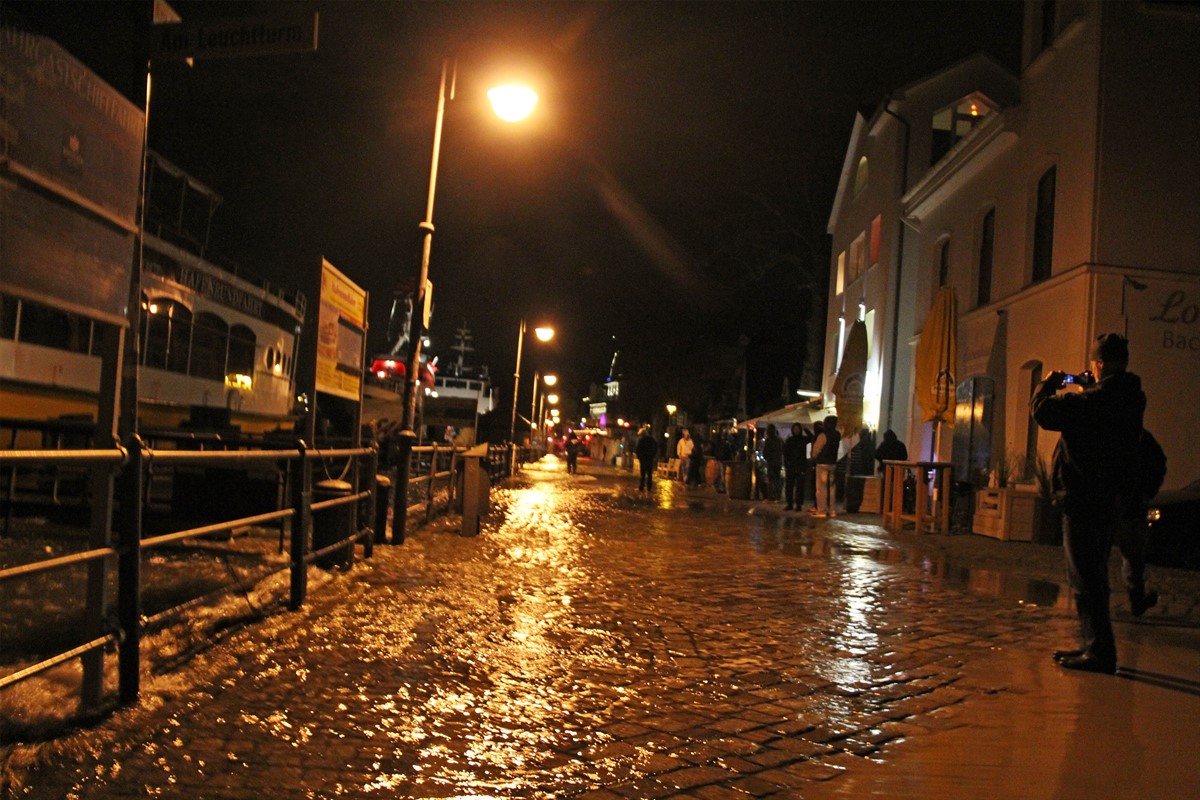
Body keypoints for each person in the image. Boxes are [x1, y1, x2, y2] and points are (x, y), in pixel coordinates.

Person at [1031, 333, 1145, 675]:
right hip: (1108, 497)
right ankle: (1094, 644)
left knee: (1085, 577)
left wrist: (1047, 386)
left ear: (1099, 364)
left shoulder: (1094, 401)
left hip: (1084, 498)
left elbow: (1044, 413)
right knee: (1094, 574)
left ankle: (1099, 651)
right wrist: (1090, 386)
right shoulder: (1129, 397)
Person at [810, 415, 841, 517]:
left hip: (822, 464)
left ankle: (822, 510)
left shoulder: (823, 435)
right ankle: (832, 510)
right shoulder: (837, 435)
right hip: (833, 463)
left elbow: (816, 450)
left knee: (821, 488)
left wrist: (814, 457)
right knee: (832, 488)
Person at [783, 423, 811, 510]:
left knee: (800, 486)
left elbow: (811, 438)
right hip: (791, 465)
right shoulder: (789, 440)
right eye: (795, 429)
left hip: (800, 465)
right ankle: (790, 503)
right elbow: (785, 453)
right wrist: (787, 463)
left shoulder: (804, 439)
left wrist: (806, 429)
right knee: (789, 486)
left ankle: (798, 504)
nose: (796, 431)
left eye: (798, 429)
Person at [762, 424, 783, 500]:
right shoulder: (779, 440)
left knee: (771, 480)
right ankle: (777, 496)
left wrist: (767, 458)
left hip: (771, 462)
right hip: (778, 462)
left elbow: (765, 452)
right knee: (777, 479)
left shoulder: (768, 440)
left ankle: (771, 496)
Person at [635, 426, 658, 491]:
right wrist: (653, 455)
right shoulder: (652, 439)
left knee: (643, 474)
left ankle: (641, 486)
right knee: (649, 474)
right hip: (650, 458)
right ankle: (649, 487)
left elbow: (638, 449)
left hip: (643, 459)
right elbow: (656, 447)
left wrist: (639, 456)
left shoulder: (641, 440)